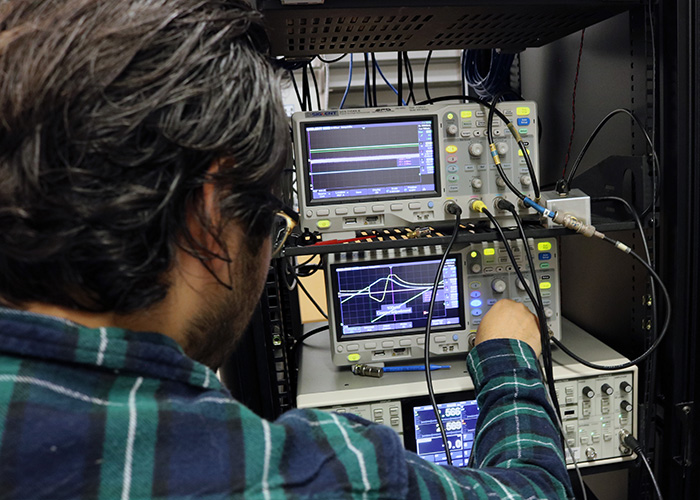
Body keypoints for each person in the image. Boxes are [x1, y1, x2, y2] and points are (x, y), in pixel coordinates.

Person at [0, 1, 573, 498]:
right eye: (274, 225)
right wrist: (509, 359)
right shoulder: (312, 474)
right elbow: (537, 490)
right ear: (207, 213)